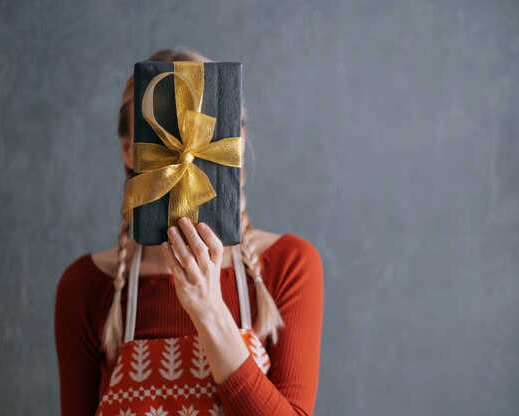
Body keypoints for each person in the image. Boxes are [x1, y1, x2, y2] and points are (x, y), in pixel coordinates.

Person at [54, 47, 324, 416]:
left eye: (201, 135)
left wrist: (209, 309)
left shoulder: (288, 266)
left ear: (235, 144)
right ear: (130, 151)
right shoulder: (86, 287)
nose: (185, 155)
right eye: (165, 137)